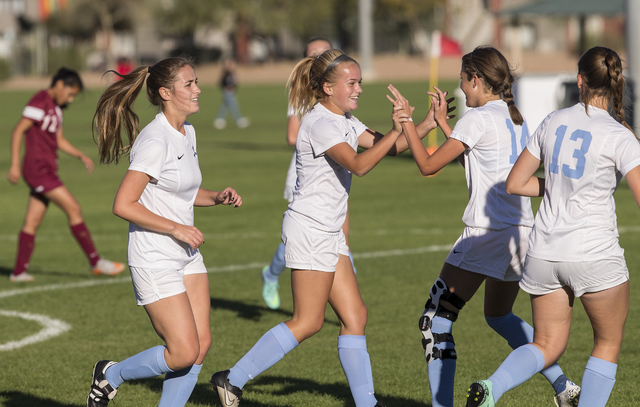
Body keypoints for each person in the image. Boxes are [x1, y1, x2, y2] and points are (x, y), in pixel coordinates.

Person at [210, 48, 437, 407]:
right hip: (310, 229)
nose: (360, 88)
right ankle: (231, 379)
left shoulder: (345, 119)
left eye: (360, 81)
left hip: (328, 232)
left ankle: (367, 403)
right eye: (353, 82)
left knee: (355, 315)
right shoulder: (319, 122)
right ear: (328, 88)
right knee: (308, 321)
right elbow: (360, 165)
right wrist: (397, 130)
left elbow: (386, 147)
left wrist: (423, 124)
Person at [394, 46, 579, 407]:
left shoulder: (476, 119)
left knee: (435, 320)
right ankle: (563, 386)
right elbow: (481, 165)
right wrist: (446, 125)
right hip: (522, 233)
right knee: (498, 315)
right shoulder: (514, 117)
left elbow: (427, 166)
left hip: (486, 235)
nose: (461, 88)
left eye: (463, 80)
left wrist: (405, 122)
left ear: (476, 79)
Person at [464, 46, 640, 407]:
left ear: (579, 80)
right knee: (606, 344)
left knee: (545, 344)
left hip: (543, 253)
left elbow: (515, 183)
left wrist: (558, 186)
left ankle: (492, 387)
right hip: (594, 253)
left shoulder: (552, 121)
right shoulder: (620, 135)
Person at [87, 56, 243, 407]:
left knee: (200, 345)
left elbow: (181, 191)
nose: (198, 89)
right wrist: (177, 228)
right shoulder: (155, 141)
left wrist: (215, 197)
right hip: (154, 256)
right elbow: (123, 204)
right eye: (189, 84)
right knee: (183, 350)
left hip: (184, 254)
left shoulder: (188, 132)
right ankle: (110, 375)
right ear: (165, 92)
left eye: (196, 82)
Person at [260, 36, 360, 310]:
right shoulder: (309, 103)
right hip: (309, 175)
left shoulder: (342, 112)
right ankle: (271, 274)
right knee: (307, 319)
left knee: (342, 236)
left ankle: (343, 286)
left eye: (324, 52)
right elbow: (293, 136)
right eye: (314, 53)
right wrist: (323, 134)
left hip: (335, 173)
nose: (320, 56)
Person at [7, 67, 125, 282]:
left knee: (32, 221)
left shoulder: (57, 109)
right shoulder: (40, 101)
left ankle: (18, 273)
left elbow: (58, 140)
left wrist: (80, 155)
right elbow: (18, 130)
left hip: (47, 169)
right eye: (70, 94)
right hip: (37, 169)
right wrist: (15, 164)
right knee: (73, 208)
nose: (70, 99)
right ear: (60, 84)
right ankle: (96, 262)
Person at [213, 58, 250, 129]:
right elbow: (222, 82)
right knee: (233, 106)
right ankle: (239, 120)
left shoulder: (232, 73)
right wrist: (227, 87)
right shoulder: (226, 73)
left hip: (231, 92)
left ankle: (219, 119)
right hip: (228, 92)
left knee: (225, 106)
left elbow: (235, 82)